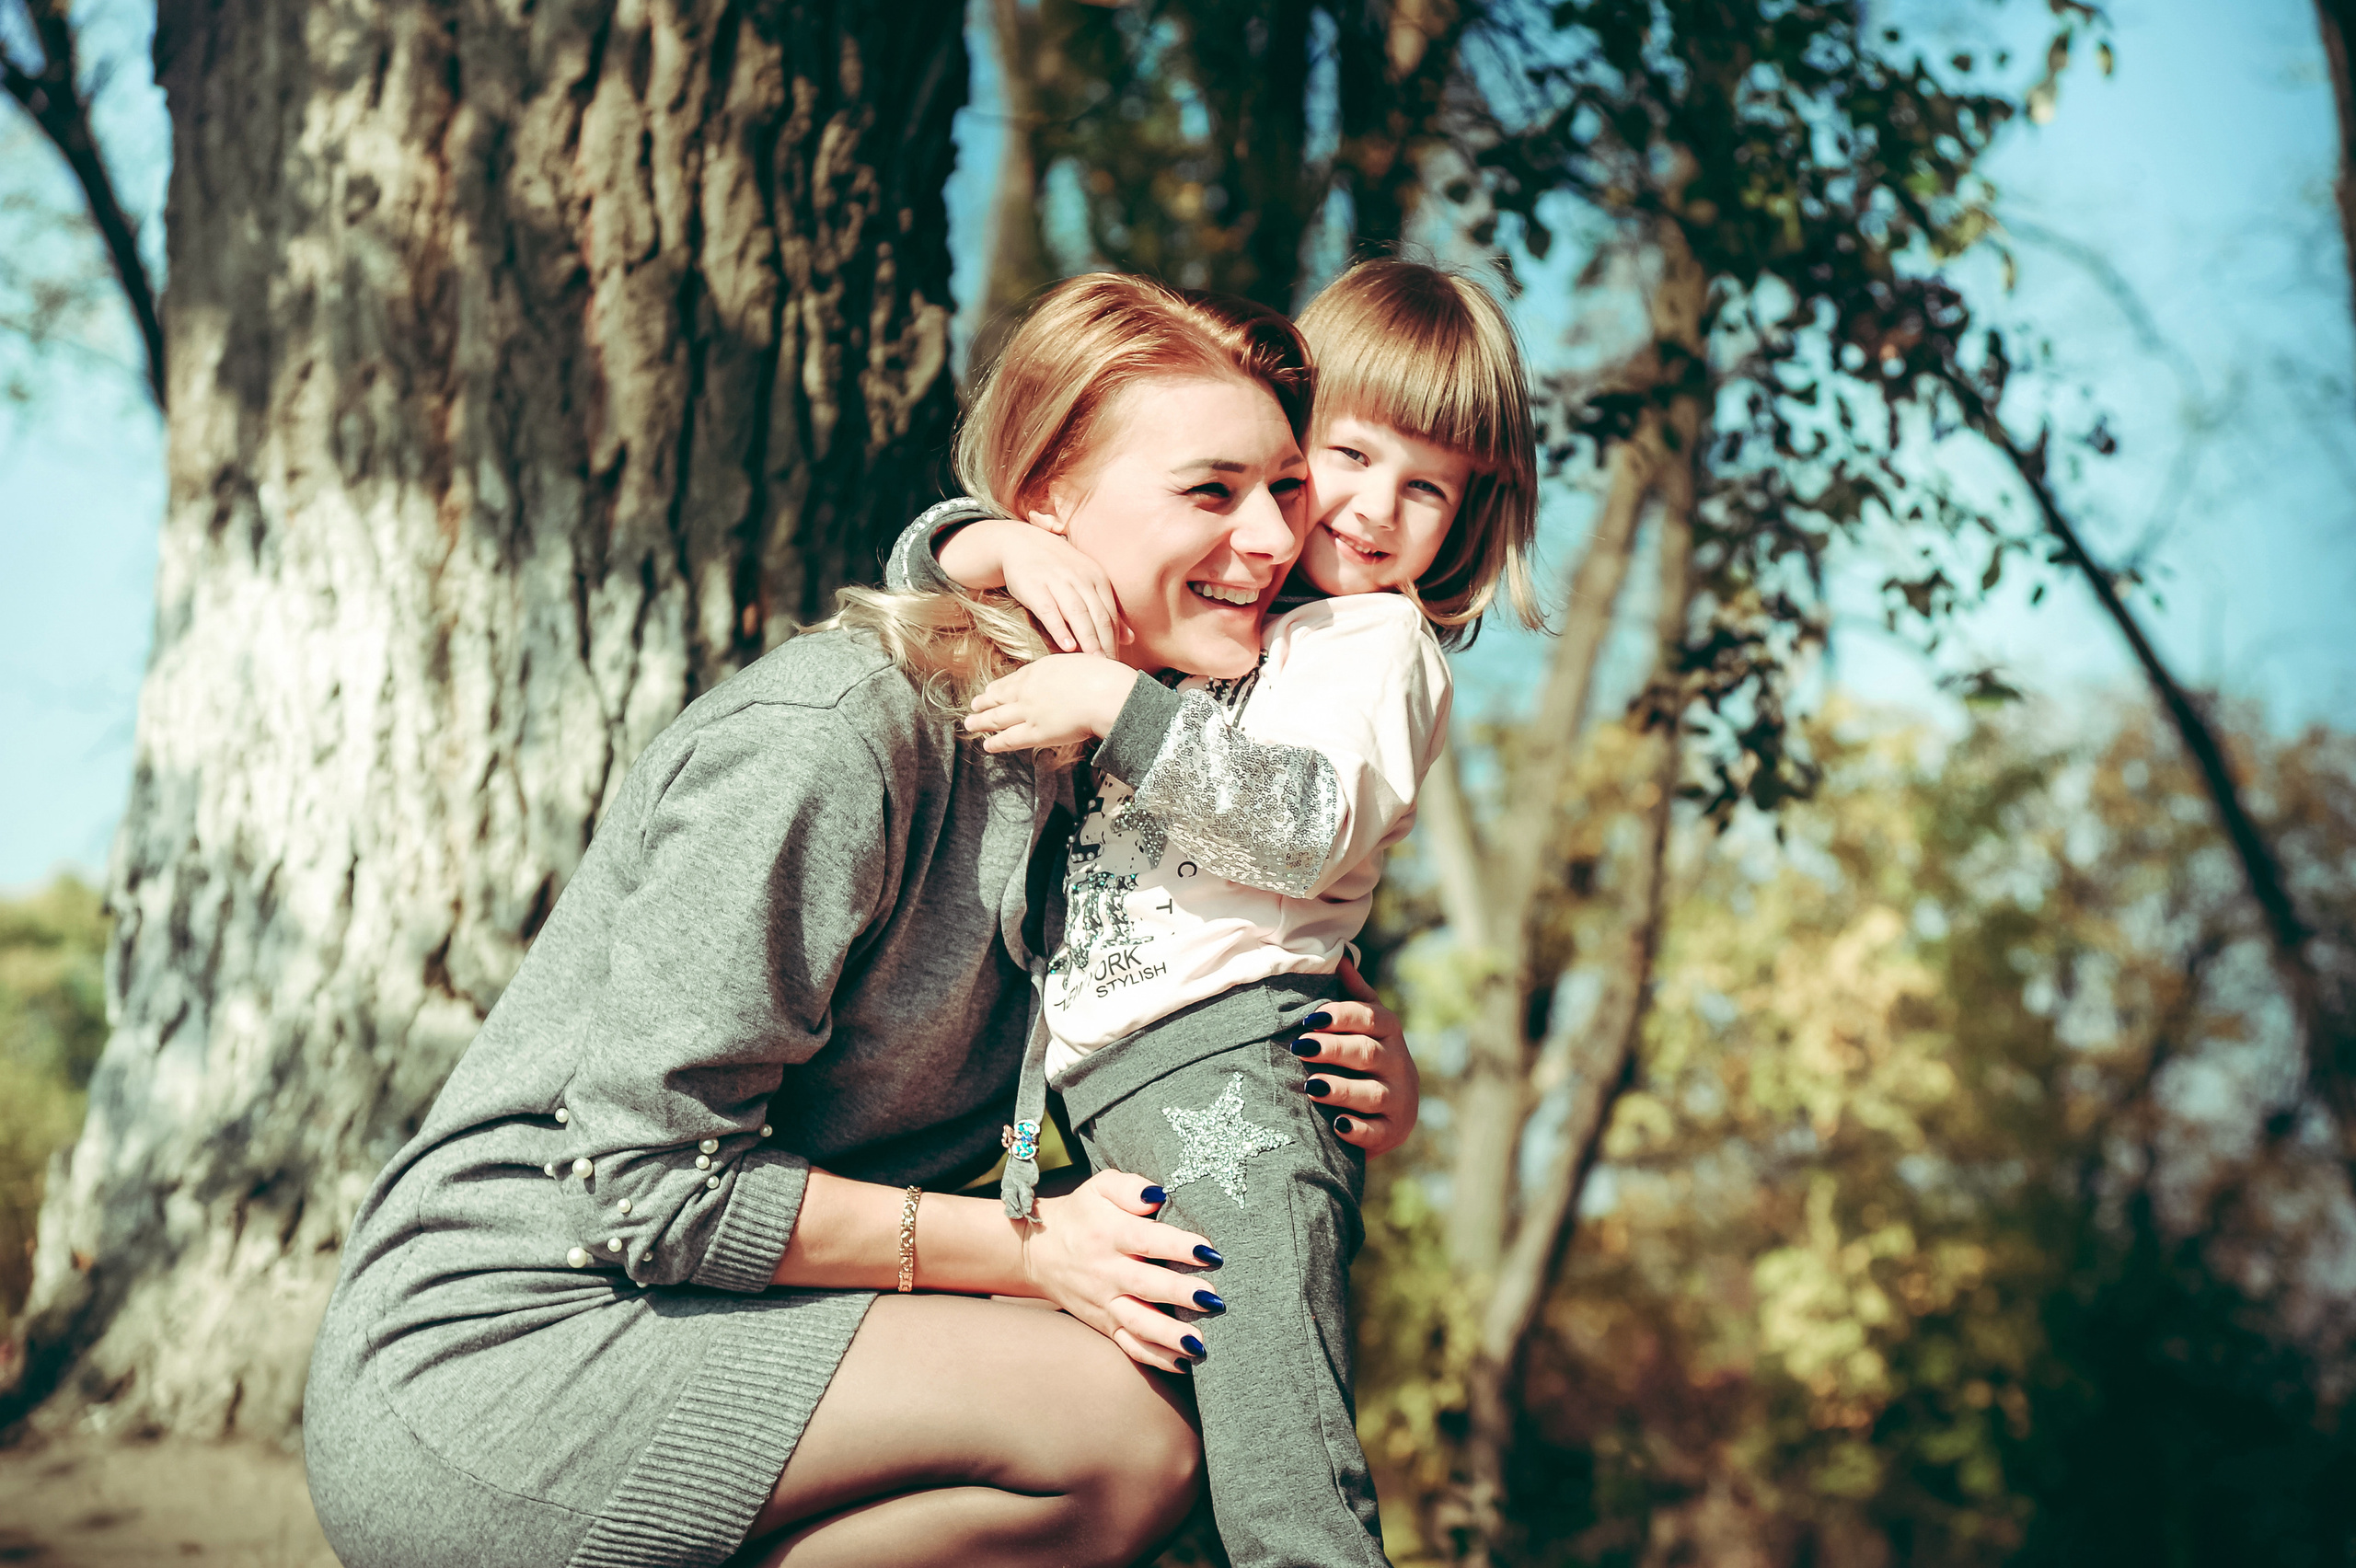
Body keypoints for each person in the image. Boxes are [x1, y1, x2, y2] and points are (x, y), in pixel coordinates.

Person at [300, 272, 1423, 1568]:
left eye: (1287, 488)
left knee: (1206, 1381)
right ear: (1050, 503)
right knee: (1125, 1431)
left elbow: (1201, 1018)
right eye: (1211, 491)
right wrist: (1025, 1244)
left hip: (745, 1320)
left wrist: (1338, 1063)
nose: (1280, 537)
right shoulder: (839, 736)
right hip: (514, 1354)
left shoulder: (1132, 777)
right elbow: (648, 1185)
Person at [889, 259, 1542, 1566]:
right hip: (1095, 1099)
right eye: (1345, 458)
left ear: (1470, 517)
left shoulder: (1372, 647)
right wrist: (989, 539)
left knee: (1283, 1479)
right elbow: (940, 584)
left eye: (1428, 488)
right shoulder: (1226, 615)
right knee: (1157, 1477)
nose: (1372, 509)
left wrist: (1108, 710)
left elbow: (1304, 826)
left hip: (1232, 1078)